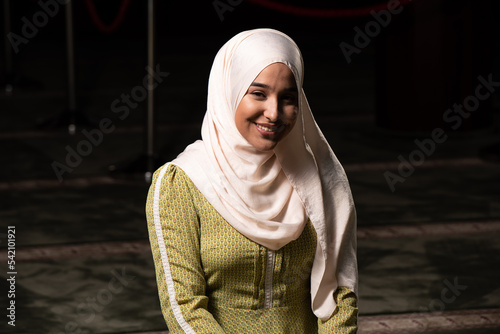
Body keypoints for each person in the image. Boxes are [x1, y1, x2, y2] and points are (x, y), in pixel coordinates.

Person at [146, 28, 358, 333]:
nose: (274, 113)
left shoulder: (323, 178)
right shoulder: (180, 183)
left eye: (288, 98)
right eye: (258, 93)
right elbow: (184, 307)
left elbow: (340, 293)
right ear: (229, 91)